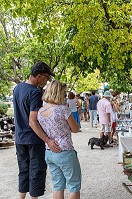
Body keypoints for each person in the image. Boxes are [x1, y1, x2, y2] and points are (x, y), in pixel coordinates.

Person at [13, 61, 60, 199]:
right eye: (46, 77)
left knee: (23, 170)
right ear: (39, 76)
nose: (47, 81)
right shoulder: (35, 92)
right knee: (37, 171)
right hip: (33, 139)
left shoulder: (17, 88)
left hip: (19, 138)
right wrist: (48, 140)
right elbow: (32, 121)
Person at [37, 80, 81, 199]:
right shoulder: (63, 109)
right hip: (65, 150)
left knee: (57, 185)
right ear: (58, 93)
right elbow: (76, 128)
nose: (65, 96)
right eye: (64, 93)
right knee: (74, 185)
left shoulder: (40, 112)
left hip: (50, 152)